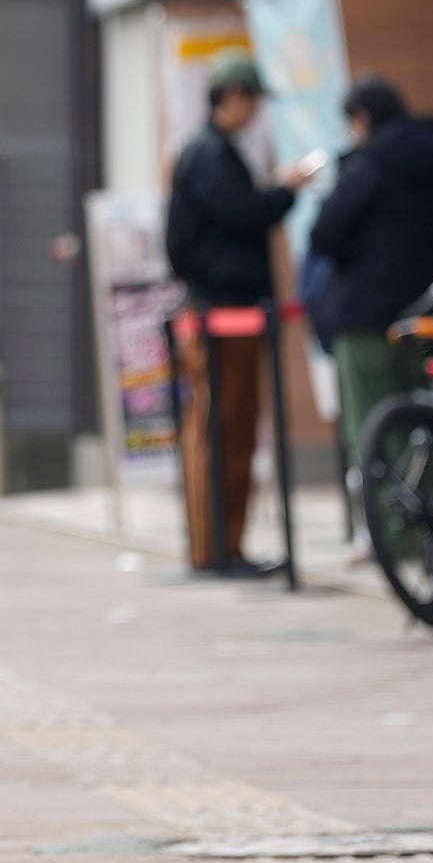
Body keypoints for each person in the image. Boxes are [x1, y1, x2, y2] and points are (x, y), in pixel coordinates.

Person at [164, 54, 309, 570]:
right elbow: (245, 214)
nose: (254, 110)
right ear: (231, 98)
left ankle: (222, 545)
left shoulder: (209, 152)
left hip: (220, 308)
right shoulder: (209, 154)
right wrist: (284, 191)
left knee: (226, 426)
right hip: (222, 310)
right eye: (250, 98)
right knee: (225, 426)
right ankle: (216, 547)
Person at [308, 75, 433, 485]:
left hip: (367, 317)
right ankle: (429, 529)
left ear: (361, 117)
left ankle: (391, 535)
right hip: (426, 314)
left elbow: (324, 234)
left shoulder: (369, 164)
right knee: (424, 426)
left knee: (372, 431)